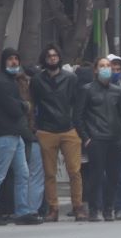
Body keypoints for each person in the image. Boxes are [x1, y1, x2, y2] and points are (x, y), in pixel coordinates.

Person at [0, 49, 39, 226]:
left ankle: (22, 210)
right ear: (4, 62)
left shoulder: (10, 81)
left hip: (14, 133)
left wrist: (21, 106)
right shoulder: (2, 83)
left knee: (23, 173)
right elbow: (13, 108)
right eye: (10, 59)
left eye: (16, 59)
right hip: (5, 133)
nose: (14, 62)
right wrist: (24, 106)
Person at [31, 45, 87, 221]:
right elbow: (33, 103)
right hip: (46, 129)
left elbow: (77, 103)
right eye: (49, 56)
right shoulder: (37, 80)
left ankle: (78, 206)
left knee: (74, 170)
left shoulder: (70, 78)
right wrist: (35, 127)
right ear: (44, 59)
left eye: (55, 55)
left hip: (68, 128)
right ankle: (53, 208)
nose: (52, 58)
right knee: (49, 172)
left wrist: (77, 126)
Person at [80, 56, 121, 222]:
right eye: (102, 66)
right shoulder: (87, 90)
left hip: (115, 139)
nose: (106, 68)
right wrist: (86, 138)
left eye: (108, 65)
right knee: (96, 176)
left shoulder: (117, 91)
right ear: (95, 70)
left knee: (114, 176)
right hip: (96, 138)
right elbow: (78, 116)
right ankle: (95, 209)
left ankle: (109, 208)